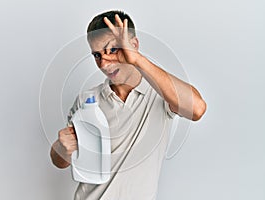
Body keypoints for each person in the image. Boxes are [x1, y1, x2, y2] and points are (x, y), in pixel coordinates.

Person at [50, 10, 207, 200]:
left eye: (113, 50)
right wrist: (61, 147)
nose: (104, 63)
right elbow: (60, 161)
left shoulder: (160, 93)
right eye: (97, 55)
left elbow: (197, 109)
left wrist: (136, 59)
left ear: (134, 45)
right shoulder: (86, 100)